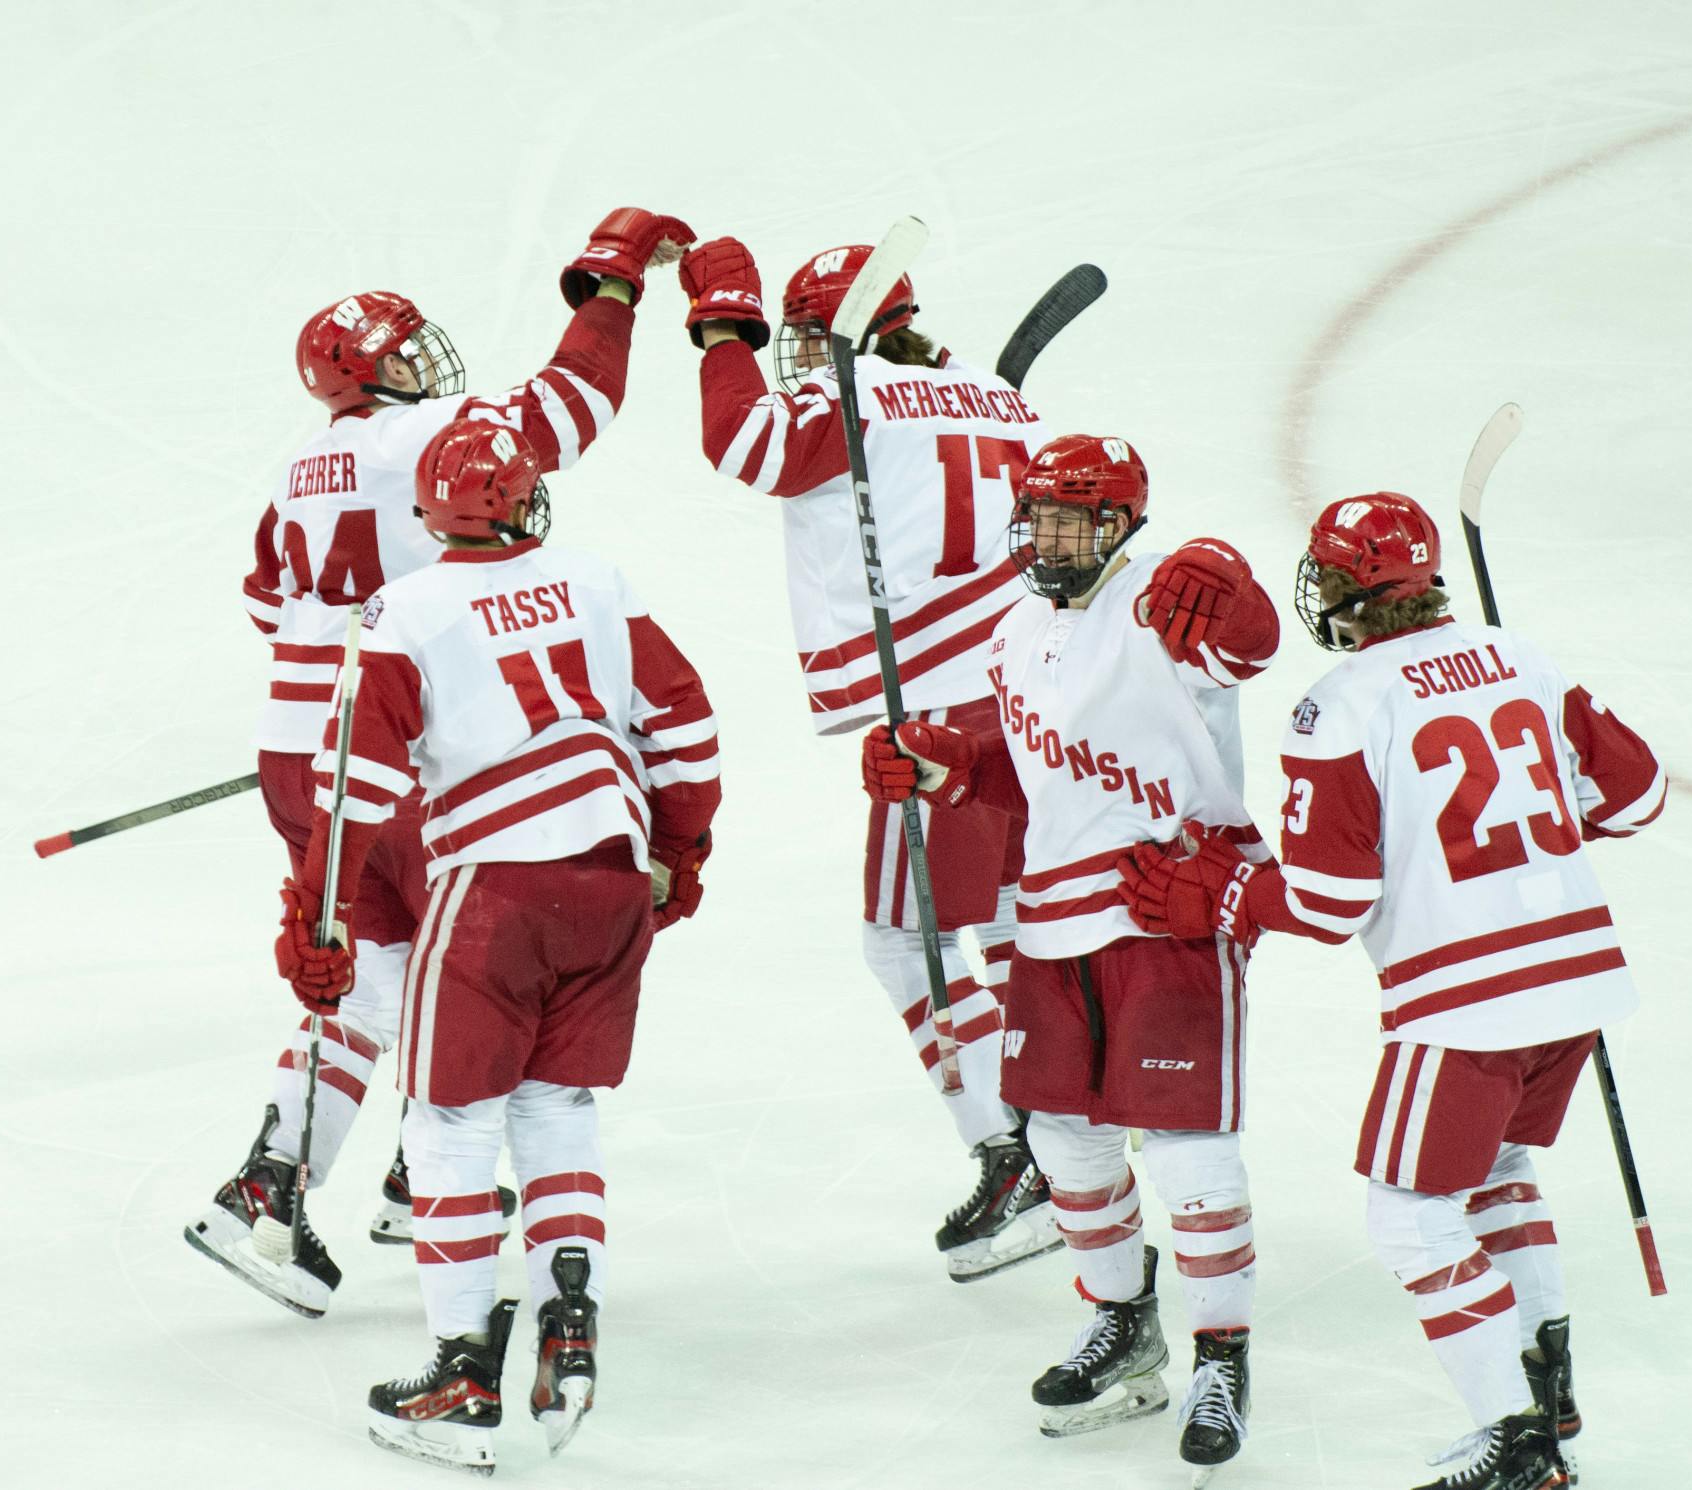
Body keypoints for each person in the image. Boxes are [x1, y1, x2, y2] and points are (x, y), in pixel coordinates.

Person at [185, 207, 694, 1317]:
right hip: (403, 763)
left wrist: (336, 692)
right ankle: (396, 1176)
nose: (425, 363)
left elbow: (267, 600)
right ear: (364, 371)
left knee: (380, 973)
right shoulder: (439, 434)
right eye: (401, 352)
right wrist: (608, 285)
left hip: (301, 746)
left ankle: (294, 1182)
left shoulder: (303, 463)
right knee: (458, 967)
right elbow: (573, 405)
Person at [1143, 491, 1664, 1490]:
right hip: (1576, 975)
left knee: (1408, 1214)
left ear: (1341, 591)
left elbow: (1334, 900)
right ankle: (1544, 1391)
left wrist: (1234, 891)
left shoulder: (1337, 702)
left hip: (1466, 998)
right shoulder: (1522, 657)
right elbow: (1635, 793)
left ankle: (1515, 1439)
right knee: (1497, 1168)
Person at [272, 417, 720, 1474]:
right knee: (555, 1104)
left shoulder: (407, 606)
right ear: (524, 500)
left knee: (448, 1122)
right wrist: (679, 849)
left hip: (492, 892)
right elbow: (686, 720)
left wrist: (316, 913)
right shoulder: (597, 575)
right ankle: (568, 1321)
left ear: (430, 516)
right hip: (610, 879)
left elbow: (359, 789)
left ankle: (463, 1367)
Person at [861, 434, 1279, 1475]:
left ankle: (1220, 1353)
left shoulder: (1159, 608)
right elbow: (1028, 772)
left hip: (1163, 909)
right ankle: (1121, 1320)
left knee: (1184, 1146)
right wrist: (947, 767)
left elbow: (1250, 642)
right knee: (1063, 1144)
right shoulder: (1012, 632)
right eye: (1036, 514)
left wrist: (1226, 572)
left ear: (1120, 525)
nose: (1046, 535)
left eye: (1070, 517)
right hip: (1051, 919)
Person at [676, 233, 1058, 1280]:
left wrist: (721, 325)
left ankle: (1016, 1157)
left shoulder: (854, 397)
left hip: (934, 715)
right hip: (1039, 695)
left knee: (909, 942)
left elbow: (745, 444)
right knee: (1021, 930)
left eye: (804, 334)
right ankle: (1071, 1148)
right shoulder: (998, 398)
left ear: (836, 332)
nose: (797, 352)